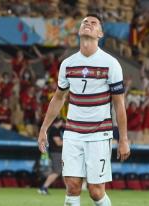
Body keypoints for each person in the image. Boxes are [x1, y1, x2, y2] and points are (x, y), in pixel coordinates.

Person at [38, 14, 130, 206]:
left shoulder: (110, 64)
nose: (88, 24)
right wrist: (43, 129)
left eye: (93, 23)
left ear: (100, 33)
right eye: (84, 22)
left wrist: (123, 139)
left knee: (96, 192)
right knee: (72, 186)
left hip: (99, 134)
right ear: (79, 31)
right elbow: (58, 98)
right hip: (72, 133)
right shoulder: (68, 64)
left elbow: (119, 104)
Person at [38, 117, 64, 195]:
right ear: (58, 122)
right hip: (56, 153)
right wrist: (69, 141)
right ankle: (43, 188)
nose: (62, 124)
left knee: (59, 171)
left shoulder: (53, 129)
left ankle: (43, 188)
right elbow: (58, 143)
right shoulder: (54, 130)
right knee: (57, 171)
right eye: (61, 122)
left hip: (55, 153)